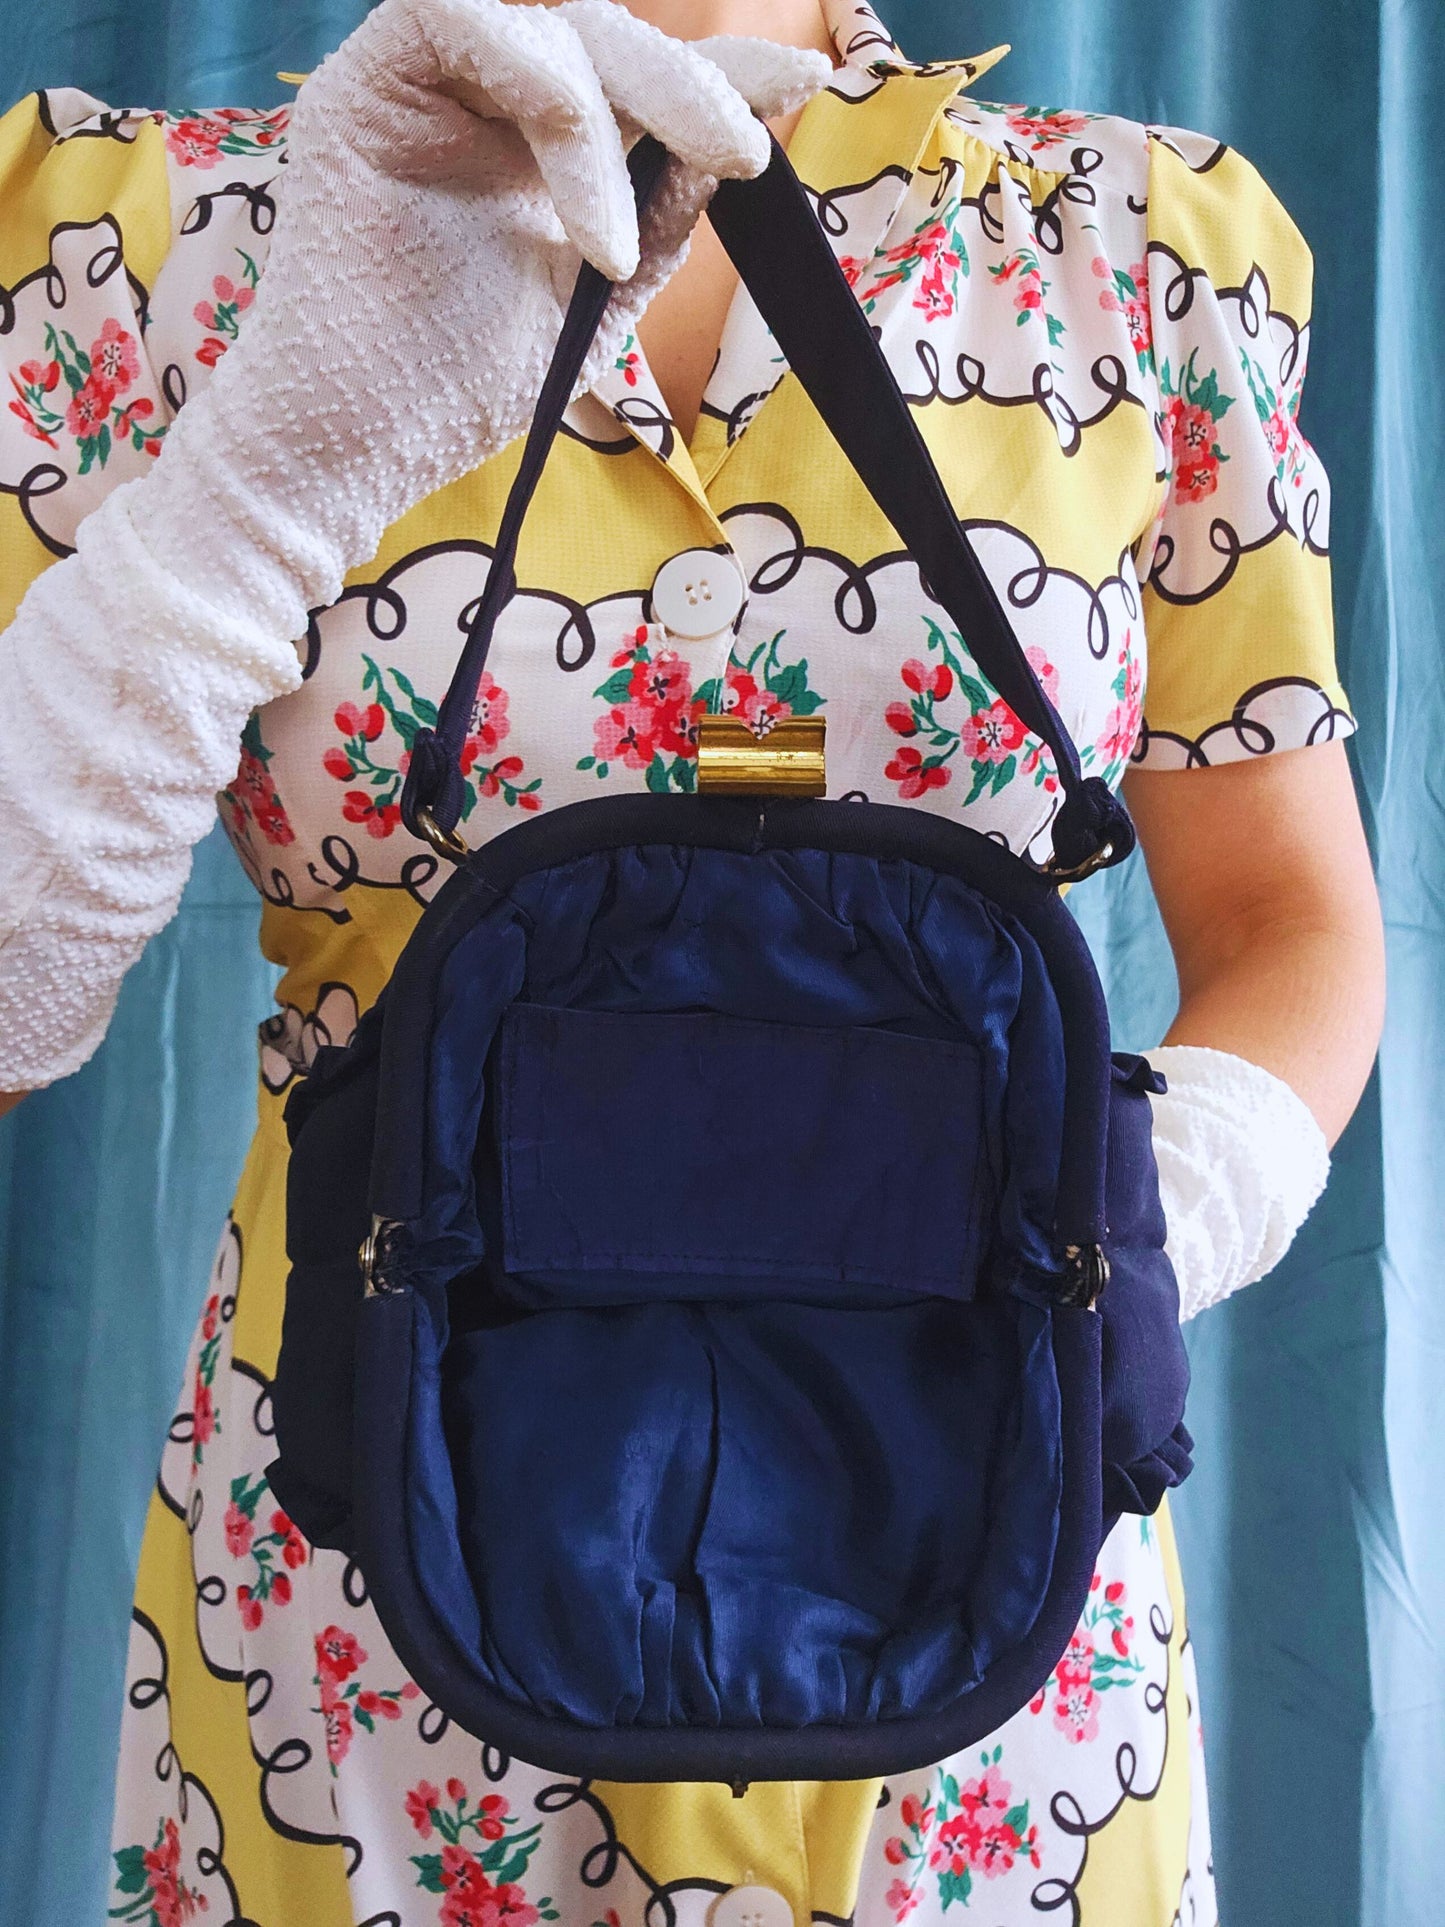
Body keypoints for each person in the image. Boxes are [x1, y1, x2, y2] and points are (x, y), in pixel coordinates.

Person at [0, 0, 1385, 1922]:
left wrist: (1131, 1228)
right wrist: (265, 476)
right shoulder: (146, 247)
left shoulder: (1123, 248)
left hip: (976, 1588)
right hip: (366, 1608)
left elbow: (1293, 921)